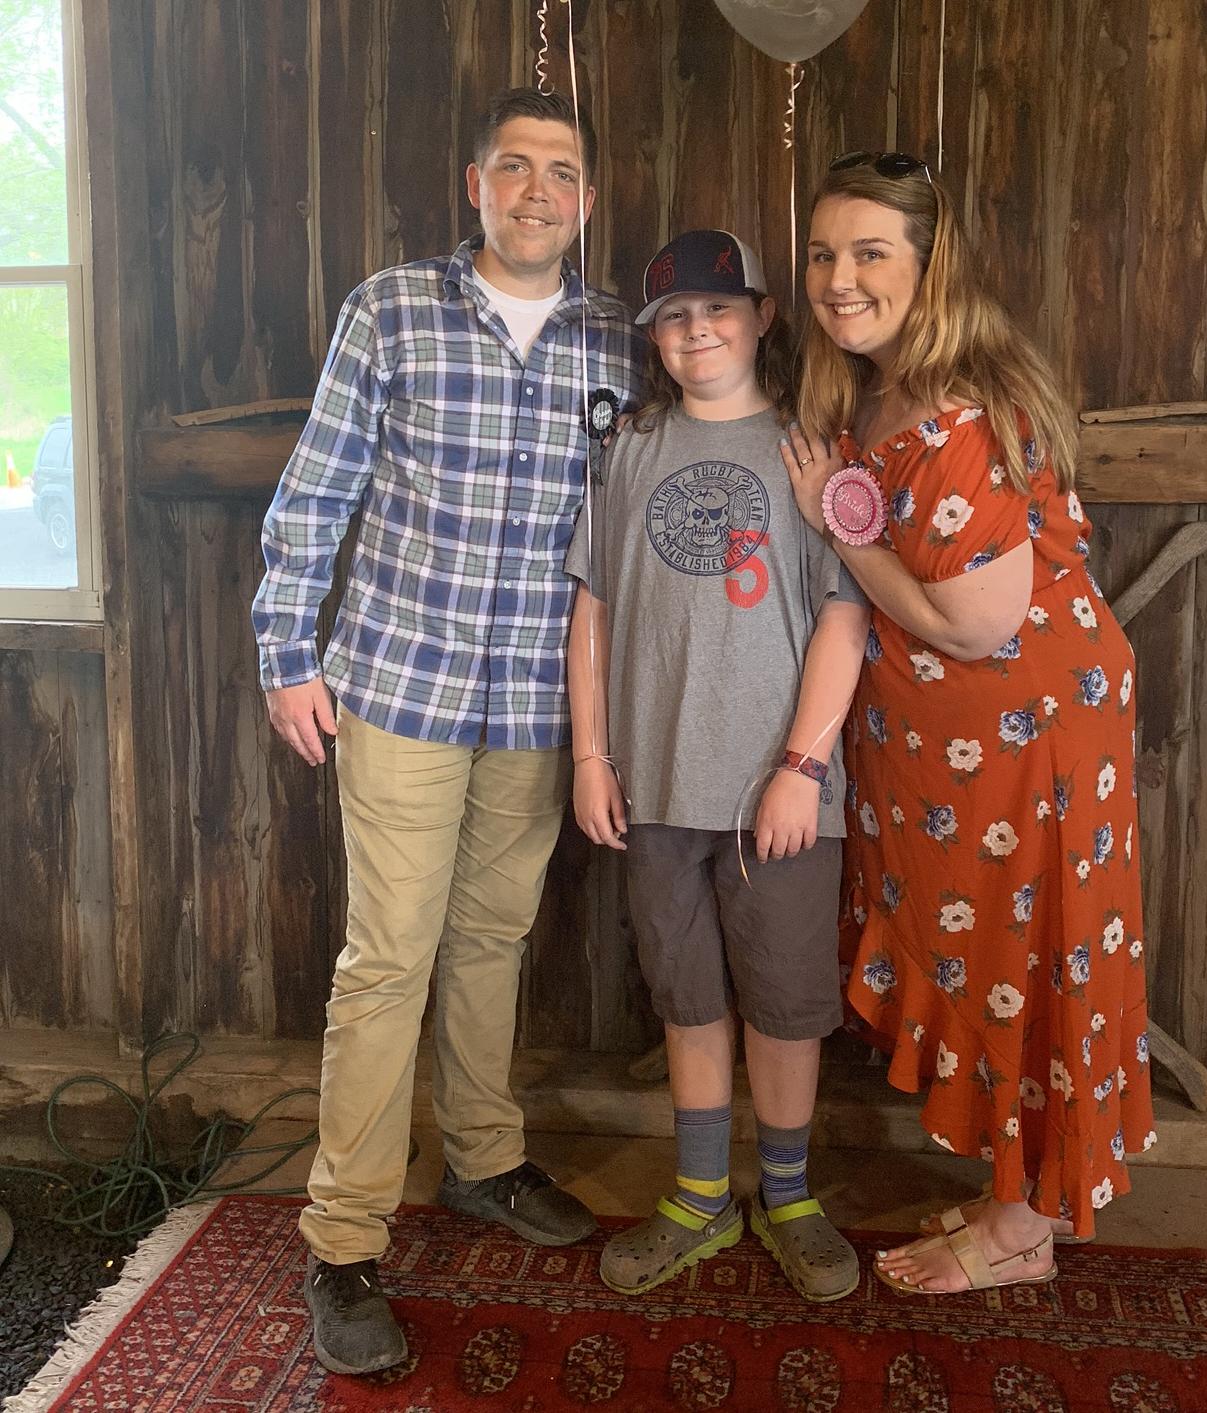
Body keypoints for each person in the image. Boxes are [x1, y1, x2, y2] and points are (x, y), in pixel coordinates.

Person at [250, 88, 641, 1374]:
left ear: (587, 200)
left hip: (536, 703)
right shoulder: (392, 310)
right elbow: (318, 490)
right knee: (387, 960)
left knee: (492, 940)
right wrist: (286, 653)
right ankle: (344, 1241)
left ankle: (484, 1159)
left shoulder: (616, 340)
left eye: (562, 173)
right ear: (475, 184)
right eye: (515, 167)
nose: (538, 191)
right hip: (400, 688)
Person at [780, 151, 1156, 1295]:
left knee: (1020, 964)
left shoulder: (958, 414)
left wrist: (839, 529)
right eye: (823, 254)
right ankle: (1017, 1195)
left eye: (871, 253)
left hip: (1023, 743)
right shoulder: (884, 386)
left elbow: (977, 623)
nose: (840, 279)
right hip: (957, 749)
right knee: (995, 958)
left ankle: (1021, 1232)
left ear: (931, 265)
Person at [566, 230, 870, 1302]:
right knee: (687, 995)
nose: (697, 331)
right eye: (674, 319)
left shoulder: (809, 450)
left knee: (785, 1001)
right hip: (654, 784)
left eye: (717, 310)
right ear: (653, 338)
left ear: (761, 316)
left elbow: (844, 615)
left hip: (777, 794)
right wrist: (592, 755)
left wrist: (803, 766)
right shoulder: (629, 450)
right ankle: (700, 1198)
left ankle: (787, 1197)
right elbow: (592, 609)